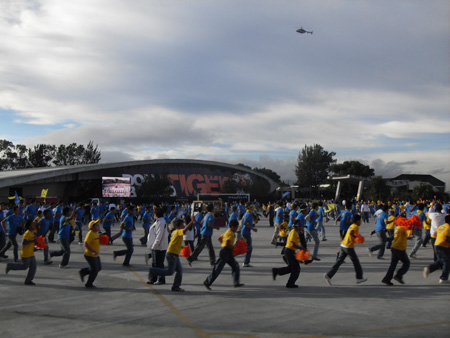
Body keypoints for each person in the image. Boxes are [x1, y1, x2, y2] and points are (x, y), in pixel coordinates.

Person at [149, 218, 194, 292]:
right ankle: (153, 271)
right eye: (182, 225)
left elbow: (175, 243)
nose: (183, 226)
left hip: (174, 254)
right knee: (170, 272)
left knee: (179, 271)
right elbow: (184, 230)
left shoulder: (175, 232)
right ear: (178, 226)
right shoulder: (179, 231)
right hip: (172, 255)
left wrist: (182, 247)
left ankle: (176, 286)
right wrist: (192, 222)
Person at [324, 214, 367, 285]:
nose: (361, 222)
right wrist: (356, 237)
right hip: (348, 246)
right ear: (357, 221)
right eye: (360, 221)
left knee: (339, 261)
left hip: (343, 245)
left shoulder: (352, 225)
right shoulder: (355, 226)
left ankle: (328, 275)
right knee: (356, 262)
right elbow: (351, 232)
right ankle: (359, 278)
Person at [203, 220, 243, 290]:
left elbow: (220, 238)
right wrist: (234, 248)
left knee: (235, 266)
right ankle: (207, 282)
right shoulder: (230, 233)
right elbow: (227, 244)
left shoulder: (227, 232)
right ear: (233, 227)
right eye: (236, 228)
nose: (236, 229)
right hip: (225, 253)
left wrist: (223, 244)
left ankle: (236, 282)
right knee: (218, 269)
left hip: (227, 252)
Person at [272, 220, 305, 288]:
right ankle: (290, 283)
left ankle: (276, 271)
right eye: (302, 226)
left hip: (291, 251)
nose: (303, 228)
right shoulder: (293, 233)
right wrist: (301, 248)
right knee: (296, 268)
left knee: (292, 268)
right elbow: (293, 244)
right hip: (289, 251)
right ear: (298, 226)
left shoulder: (296, 232)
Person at [5, 219, 38, 285]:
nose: (34, 225)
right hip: (26, 254)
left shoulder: (33, 231)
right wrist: (32, 241)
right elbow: (24, 242)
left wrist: (36, 243)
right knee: (24, 266)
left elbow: (37, 227)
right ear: (29, 226)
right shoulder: (27, 233)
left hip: (31, 253)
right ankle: (10, 266)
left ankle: (28, 281)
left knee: (33, 266)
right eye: (32, 224)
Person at [381, 221, 412, 286]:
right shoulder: (403, 228)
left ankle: (386, 279)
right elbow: (410, 234)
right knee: (407, 263)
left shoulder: (397, 227)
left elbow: (400, 236)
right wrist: (411, 229)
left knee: (393, 265)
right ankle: (399, 275)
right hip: (400, 248)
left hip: (394, 247)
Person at [423, 214, 450, 284]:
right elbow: (447, 238)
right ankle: (443, 278)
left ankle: (429, 269)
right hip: (443, 246)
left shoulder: (442, 226)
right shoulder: (449, 228)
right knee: (446, 262)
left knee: (442, 260)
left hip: (437, 244)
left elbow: (434, 234)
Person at [146, 207, 169, 285]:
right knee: (155, 263)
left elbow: (159, 236)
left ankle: (161, 279)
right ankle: (153, 278)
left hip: (159, 247)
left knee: (159, 263)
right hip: (156, 246)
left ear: (156, 214)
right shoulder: (159, 221)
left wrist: (154, 246)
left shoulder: (160, 222)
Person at [79, 219, 102, 288]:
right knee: (95, 269)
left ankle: (84, 271)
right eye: (97, 226)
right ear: (92, 227)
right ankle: (89, 283)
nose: (98, 227)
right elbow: (85, 243)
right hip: (90, 255)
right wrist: (92, 251)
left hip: (96, 254)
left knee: (99, 268)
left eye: (98, 225)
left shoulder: (96, 233)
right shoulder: (90, 234)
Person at [241, 203, 258, 267]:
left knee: (248, 248)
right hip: (246, 233)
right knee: (249, 248)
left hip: (246, 232)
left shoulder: (248, 213)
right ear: (250, 208)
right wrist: (252, 228)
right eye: (252, 207)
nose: (253, 208)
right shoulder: (248, 214)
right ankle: (246, 262)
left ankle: (246, 262)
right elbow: (245, 223)